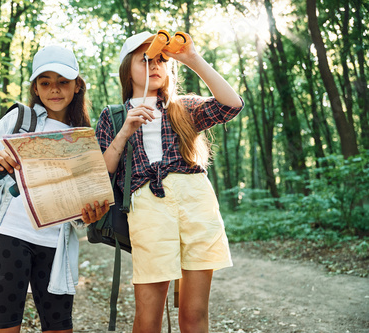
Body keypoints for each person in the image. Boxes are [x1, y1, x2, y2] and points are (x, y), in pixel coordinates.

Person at [95, 31, 244, 332]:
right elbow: (101, 172)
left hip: (196, 201)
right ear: (127, 68)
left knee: (194, 314)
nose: (155, 65)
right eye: (145, 59)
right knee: (148, 318)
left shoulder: (183, 107)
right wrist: (125, 130)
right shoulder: (112, 116)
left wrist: (191, 58)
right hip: (148, 206)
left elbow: (231, 105)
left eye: (162, 59)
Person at [0, 45, 109, 333]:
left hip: (56, 245)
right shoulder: (19, 120)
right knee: (5, 327)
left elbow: (80, 205)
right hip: (10, 236)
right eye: (46, 82)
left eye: (63, 82)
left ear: (77, 86)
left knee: (59, 327)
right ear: (35, 87)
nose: (54, 90)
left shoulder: (82, 136)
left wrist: (88, 216)